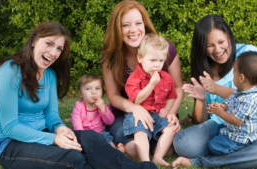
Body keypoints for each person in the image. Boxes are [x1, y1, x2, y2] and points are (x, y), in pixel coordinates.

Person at [0, 21, 157, 169]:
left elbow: (52, 116)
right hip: (11, 146)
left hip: (44, 133)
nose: (53, 53)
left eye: (59, 48)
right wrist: (54, 139)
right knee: (73, 158)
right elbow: (10, 127)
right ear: (33, 41)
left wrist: (60, 129)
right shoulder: (9, 72)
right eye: (48, 43)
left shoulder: (49, 74)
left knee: (91, 138)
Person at [172, 14, 257, 169]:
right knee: (183, 144)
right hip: (222, 128)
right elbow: (201, 120)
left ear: (229, 37)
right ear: (202, 46)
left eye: (221, 42)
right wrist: (202, 99)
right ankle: (243, 157)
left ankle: (204, 162)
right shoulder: (204, 69)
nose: (218, 50)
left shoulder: (248, 56)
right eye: (210, 45)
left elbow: (253, 100)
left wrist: (216, 90)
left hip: (254, 130)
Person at [100, 0, 183, 159]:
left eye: (138, 23)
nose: (133, 30)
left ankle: (156, 144)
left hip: (160, 111)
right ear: (117, 29)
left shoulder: (164, 49)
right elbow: (112, 96)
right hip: (127, 113)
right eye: (125, 25)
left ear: (145, 25)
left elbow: (177, 87)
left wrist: (171, 114)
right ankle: (150, 145)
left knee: (168, 148)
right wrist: (134, 108)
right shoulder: (111, 58)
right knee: (131, 149)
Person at [124, 34, 177, 166]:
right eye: (153, 60)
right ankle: (145, 162)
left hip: (158, 113)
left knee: (171, 129)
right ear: (140, 58)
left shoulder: (166, 77)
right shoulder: (134, 78)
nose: (157, 65)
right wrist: (151, 85)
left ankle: (157, 157)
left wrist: (168, 110)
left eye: (160, 61)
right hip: (140, 113)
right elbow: (136, 99)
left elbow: (171, 95)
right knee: (140, 132)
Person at [207, 52, 257, 156]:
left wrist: (220, 112)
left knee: (213, 146)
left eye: (234, 73)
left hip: (242, 138)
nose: (233, 75)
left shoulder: (249, 100)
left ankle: (241, 151)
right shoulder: (244, 90)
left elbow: (237, 121)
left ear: (241, 78)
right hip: (234, 130)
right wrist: (223, 106)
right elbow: (232, 100)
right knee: (213, 131)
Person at [71, 74, 125, 152]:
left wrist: (103, 110)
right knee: (79, 145)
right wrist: (83, 136)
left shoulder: (103, 106)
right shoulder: (78, 107)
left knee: (107, 138)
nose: (93, 92)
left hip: (100, 134)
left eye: (97, 88)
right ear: (80, 93)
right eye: (88, 89)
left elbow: (110, 121)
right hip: (85, 135)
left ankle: (115, 151)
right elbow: (77, 125)